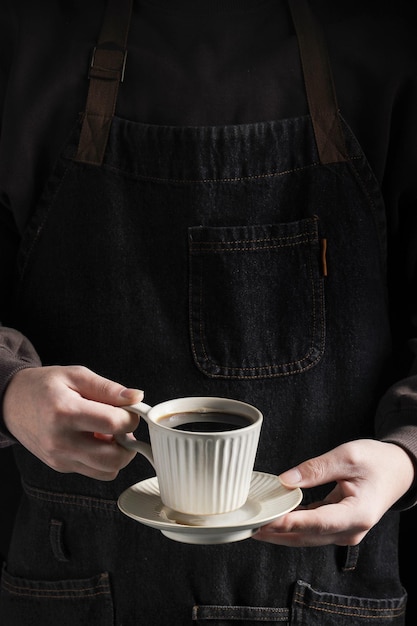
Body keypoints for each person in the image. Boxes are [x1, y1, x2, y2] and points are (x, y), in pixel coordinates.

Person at [1, 0, 416, 624]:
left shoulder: (390, 38)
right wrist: (9, 390)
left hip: (329, 588)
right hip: (76, 586)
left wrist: (406, 453)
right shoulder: (26, 35)